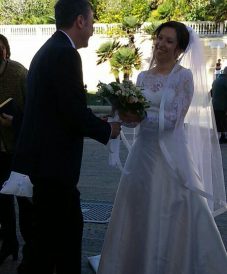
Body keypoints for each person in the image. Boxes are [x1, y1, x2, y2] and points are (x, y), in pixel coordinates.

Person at [97, 21, 227, 274]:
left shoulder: (183, 77)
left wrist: (141, 117)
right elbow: (134, 124)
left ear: (179, 49)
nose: (162, 45)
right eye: (159, 39)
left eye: (169, 41)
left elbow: (173, 120)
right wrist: (123, 116)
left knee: (172, 208)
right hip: (142, 156)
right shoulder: (143, 76)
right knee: (138, 209)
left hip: (171, 157)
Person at [12, 0, 121, 274]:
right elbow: (72, 112)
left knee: (47, 243)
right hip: (54, 169)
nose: (94, 27)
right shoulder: (65, 54)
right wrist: (108, 130)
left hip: (45, 166)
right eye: (92, 20)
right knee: (61, 242)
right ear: (80, 21)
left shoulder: (50, 49)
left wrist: (97, 122)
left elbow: (60, 108)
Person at [0, 34, 32, 266]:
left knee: (24, 201)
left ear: (6, 51)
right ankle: (9, 243)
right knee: (2, 202)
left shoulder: (19, 73)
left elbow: (34, 111)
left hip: (19, 148)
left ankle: (30, 253)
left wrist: (14, 122)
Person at [211, 66, 227, 143]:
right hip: (222, 106)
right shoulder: (225, 81)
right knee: (222, 121)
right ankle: (222, 137)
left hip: (214, 105)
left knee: (218, 122)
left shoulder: (216, 80)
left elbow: (211, 93)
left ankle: (220, 136)